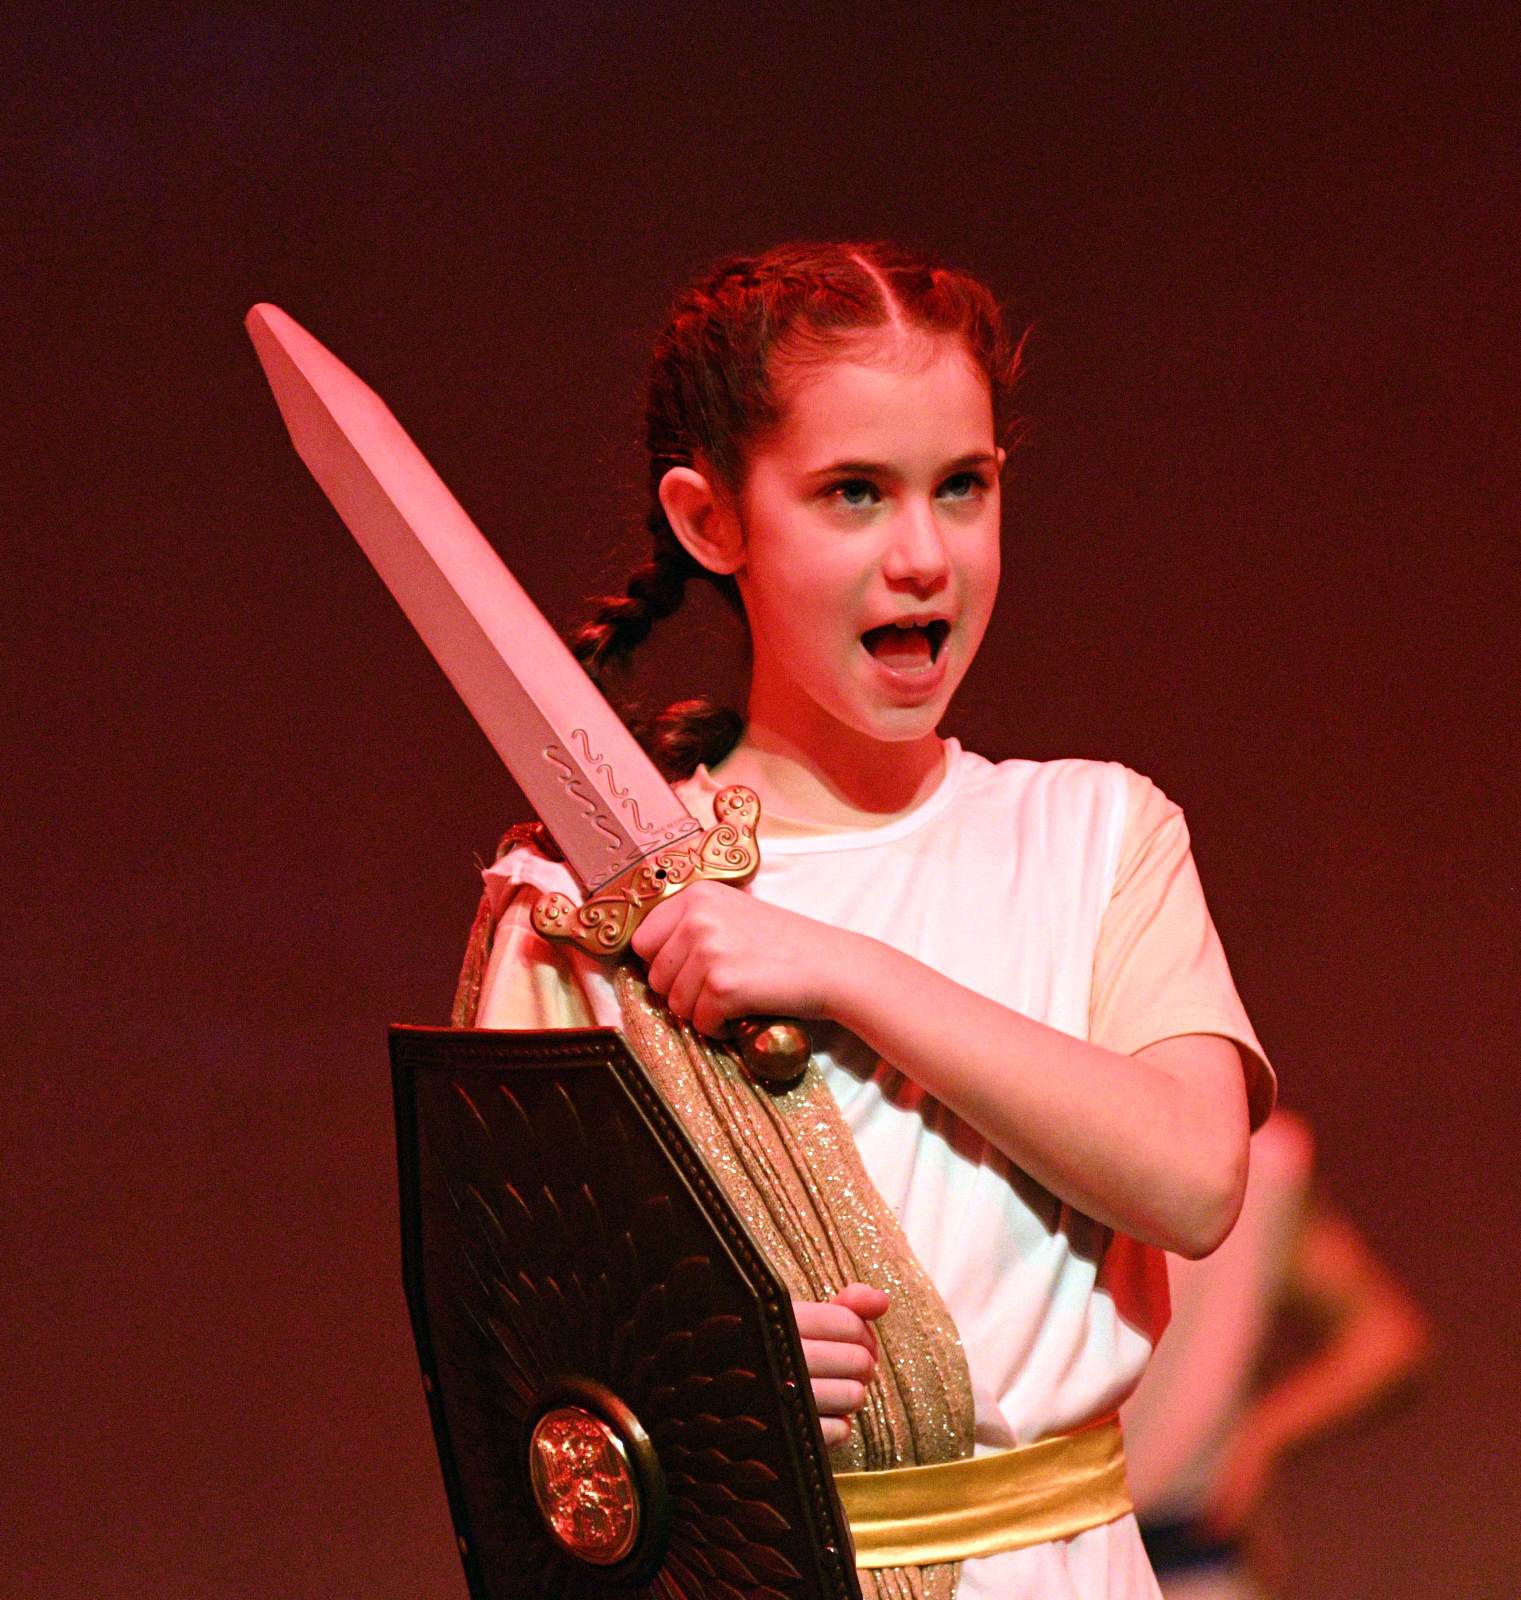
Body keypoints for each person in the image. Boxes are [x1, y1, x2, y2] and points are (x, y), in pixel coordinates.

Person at [454, 241, 1275, 1599]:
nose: (922, 557)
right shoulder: (581, 910)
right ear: (710, 520)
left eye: (962, 488)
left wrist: (842, 969)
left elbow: (1192, 1180)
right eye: (852, 494)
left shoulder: (1097, 832)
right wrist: (707, 1373)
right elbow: (524, 1372)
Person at [1124, 1108, 1431, 1599]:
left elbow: (1387, 1338)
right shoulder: (1257, 1153)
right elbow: (1386, 1338)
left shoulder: (1024, 1126)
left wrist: (1257, 1440)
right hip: (1194, 1563)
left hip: (1060, 1556)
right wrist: (1258, 1440)